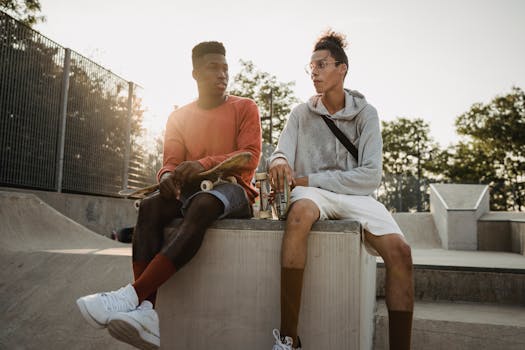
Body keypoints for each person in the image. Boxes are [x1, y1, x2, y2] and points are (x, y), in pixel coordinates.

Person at [76, 41, 261, 350]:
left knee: (202, 204)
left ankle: (132, 295)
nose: (222, 74)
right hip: (189, 190)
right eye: (213, 67)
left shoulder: (245, 107)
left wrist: (202, 164)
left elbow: (249, 157)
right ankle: (147, 312)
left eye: (225, 68)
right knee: (149, 207)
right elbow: (171, 162)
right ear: (195, 73)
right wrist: (166, 178)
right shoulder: (179, 117)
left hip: (234, 189)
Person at [268, 31, 414, 350]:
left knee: (401, 251)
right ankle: (288, 341)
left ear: (342, 68)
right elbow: (281, 151)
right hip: (313, 195)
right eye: (311, 66)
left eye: (322, 65)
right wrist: (279, 161)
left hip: (355, 196)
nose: (315, 72)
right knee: (300, 214)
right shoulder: (300, 113)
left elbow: (370, 177)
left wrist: (307, 179)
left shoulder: (366, 114)